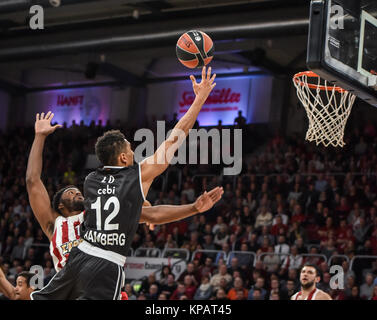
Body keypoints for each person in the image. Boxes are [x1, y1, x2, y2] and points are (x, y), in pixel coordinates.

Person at [31, 66, 218, 300]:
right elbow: (174, 138)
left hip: (79, 258)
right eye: (130, 149)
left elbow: (132, 208)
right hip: (106, 264)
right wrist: (200, 98)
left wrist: (143, 204)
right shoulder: (136, 175)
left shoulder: (91, 181)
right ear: (122, 158)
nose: (133, 153)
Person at [26, 110, 222, 275]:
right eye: (70, 193)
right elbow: (32, 181)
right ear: (60, 205)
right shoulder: (54, 225)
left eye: (78, 191)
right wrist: (39, 137)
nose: (77, 194)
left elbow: (152, 214)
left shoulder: (100, 211)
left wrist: (193, 208)